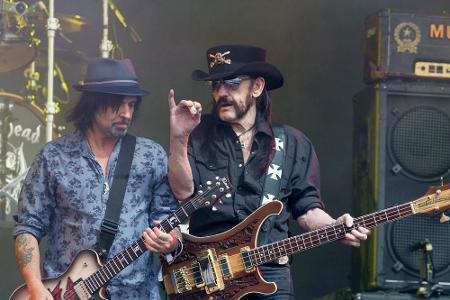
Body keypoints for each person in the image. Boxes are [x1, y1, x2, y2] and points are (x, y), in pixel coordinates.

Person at [167, 45, 370, 299]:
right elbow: (182, 190)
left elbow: (306, 210)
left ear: (257, 87)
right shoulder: (197, 133)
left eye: (231, 83)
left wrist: (334, 225)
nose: (221, 93)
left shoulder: (292, 143)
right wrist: (178, 137)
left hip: (269, 272)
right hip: (209, 272)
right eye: (216, 85)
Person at [13, 58, 181, 300]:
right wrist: (35, 286)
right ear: (92, 103)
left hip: (137, 294)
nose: (126, 113)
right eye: (117, 105)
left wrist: (171, 240)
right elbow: (28, 226)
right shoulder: (54, 156)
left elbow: (168, 218)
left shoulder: (150, 155)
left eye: (132, 105)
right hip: (66, 293)